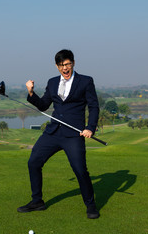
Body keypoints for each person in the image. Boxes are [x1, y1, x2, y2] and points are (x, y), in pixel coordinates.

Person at [17, 49, 100, 219]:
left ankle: (90, 205)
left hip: (74, 134)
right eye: (61, 65)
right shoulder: (53, 82)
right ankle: (37, 201)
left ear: (73, 63)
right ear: (57, 66)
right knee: (33, 162)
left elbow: (93, 107)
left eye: (68, 64)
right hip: (53, 132)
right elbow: (43, 105)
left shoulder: (85, 81)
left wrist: (90, 127)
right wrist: (31, 93)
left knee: (79, 170)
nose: (65, 68)